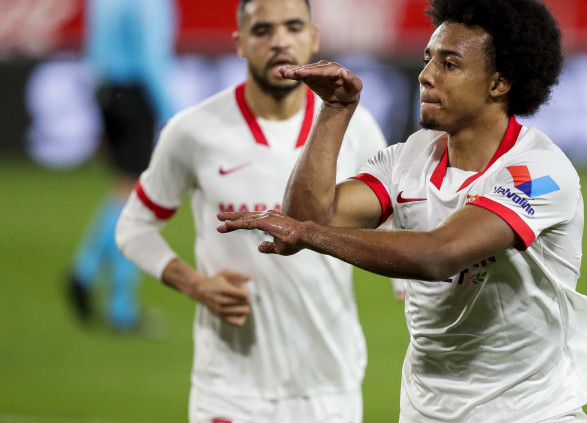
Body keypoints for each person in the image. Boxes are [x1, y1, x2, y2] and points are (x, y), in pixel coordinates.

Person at [217, 0, 587, 421]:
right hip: (425, 410)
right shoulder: (410, 157)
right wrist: (334, 111)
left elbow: (437, 254)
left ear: (498, 83)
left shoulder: (538, 172)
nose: (425, 75)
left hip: (530, 411)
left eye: (449, 64)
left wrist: (308, 236)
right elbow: (308, 215)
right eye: (428, 59)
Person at [115, 0, 394, 421]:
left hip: (329, 388)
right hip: (229, 390)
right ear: (240, 43)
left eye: (293, 27)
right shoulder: (193, 131)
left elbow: (396, 224)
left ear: (314, 38)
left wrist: (412, 290)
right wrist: (195, 284)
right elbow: (134, 227)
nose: (280, 40)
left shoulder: (356, 128)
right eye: (263, 30)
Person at [67, 0, 177, 331]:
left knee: (123, 191)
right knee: (136, 199)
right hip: (135, 95)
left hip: (108, 92)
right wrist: (172, 115)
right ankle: (113, 298)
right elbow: (151, 58)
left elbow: (93, 47)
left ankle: (88, 276)